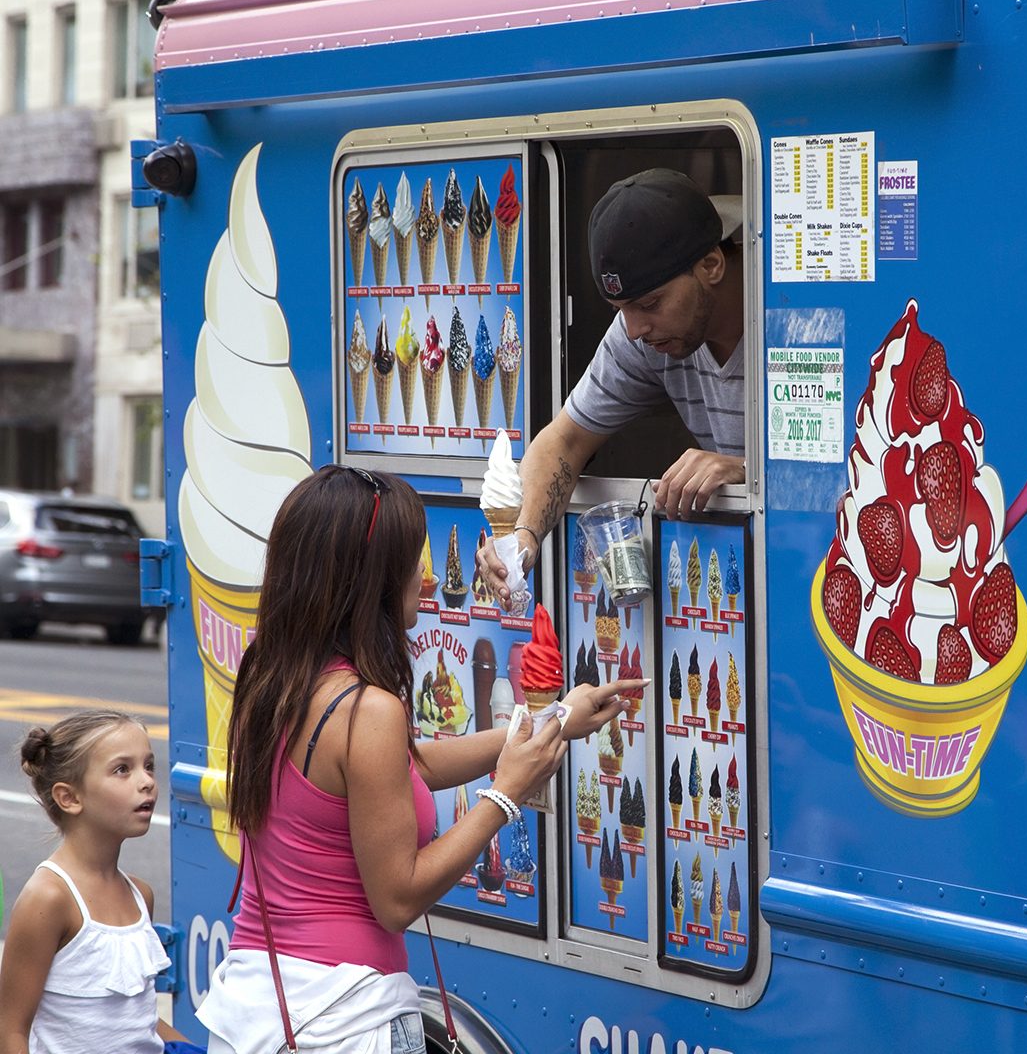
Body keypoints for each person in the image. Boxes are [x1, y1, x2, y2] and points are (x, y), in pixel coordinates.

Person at [197, 464, 643, 1053]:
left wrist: (552, 720)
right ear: (372, 580)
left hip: (256, 1006)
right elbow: (397, 899)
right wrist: (504, 797)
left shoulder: (272, 674)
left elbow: (405, 771)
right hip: (344, 1020)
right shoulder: (368, 709)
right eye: (413, 561)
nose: (427, 580)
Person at [480, 168, 745, 607]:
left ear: (711, 265)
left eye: (649, 304)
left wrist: (743, 469)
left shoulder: (796, 313)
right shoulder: (642, 333)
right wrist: (522, 540)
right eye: (621, 309)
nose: (635, 329)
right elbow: (564, 440)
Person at [0, 709, 202, 1054]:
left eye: (148, 765)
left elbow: (138, 1019)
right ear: (70, 798)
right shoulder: (50, 897)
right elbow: (11, 1029)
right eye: (122, 769)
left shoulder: (140, 894)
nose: (147, 781)